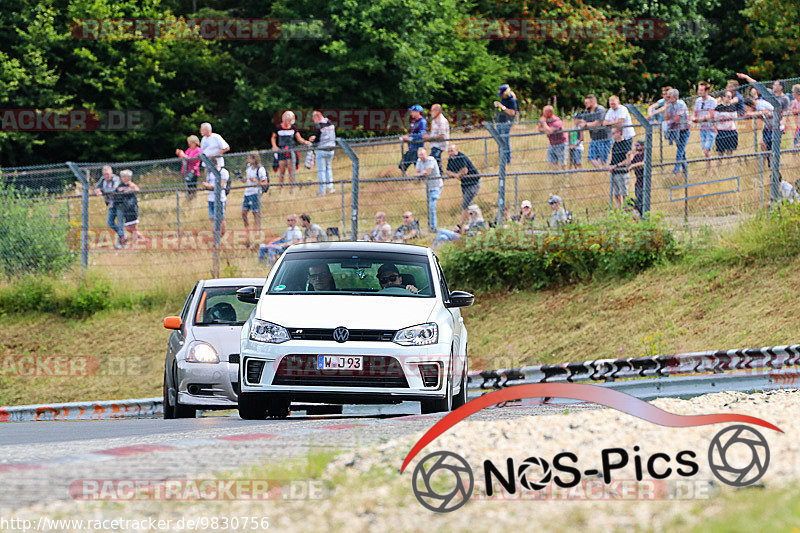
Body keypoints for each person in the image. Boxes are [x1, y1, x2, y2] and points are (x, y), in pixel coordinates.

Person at [271, 111, 312, 192]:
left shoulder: (293, 127)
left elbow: (298, 138)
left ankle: (292, 188)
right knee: (282, 170)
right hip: (282, 150)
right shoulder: (278, 127)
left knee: (291, 170)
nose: (289, 121)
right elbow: (273, 137)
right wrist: (275, 146)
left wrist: (305, 142)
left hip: (291, 151)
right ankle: (280, 189)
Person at [445, 143, 480, 230]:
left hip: (473, 182)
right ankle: (472, 223)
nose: (450, 153)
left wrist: (457, 174)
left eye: (452, 151)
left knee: (465, 205)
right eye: (449, 151)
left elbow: (465, 170)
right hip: (464, 184)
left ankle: (460, 225)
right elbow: (447, 172)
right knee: (469, 205)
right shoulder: (451, 159)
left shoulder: (461, 157)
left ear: (456, 150)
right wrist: (456, 175)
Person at [94, 165, 126, 248]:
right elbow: (97, 187)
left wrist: (102, 191)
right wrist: (97, 190)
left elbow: (114, 189)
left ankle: (121, 244)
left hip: (120, 203)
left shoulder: (116, 179)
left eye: (108, 174)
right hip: (112, 204)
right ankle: (123, 236)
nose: (106, 176)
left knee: (120, 223)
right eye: (104, 174)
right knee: (109, 222)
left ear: (111, 173)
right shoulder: (102, 180)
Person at [241, 151, 268, 246]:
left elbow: (265, 183)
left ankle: (256, 235)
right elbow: (247, 179)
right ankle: (248, 234)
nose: (248, 160)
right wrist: (244, 179)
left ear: (254, 159)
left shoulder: (260, 169)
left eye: (249, 158)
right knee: (244, 213)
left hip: (255, 193)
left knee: (255, 213)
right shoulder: (248, 167)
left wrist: (256, 181)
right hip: (247, 193)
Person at [415, 147, 443, 232]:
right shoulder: (419, 161)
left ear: (426, 154)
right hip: (428, 187)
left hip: (436, 186)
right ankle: (431, 226)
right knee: (429, 207)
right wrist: (421, 174)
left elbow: (428, 172)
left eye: (423, 154)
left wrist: (421, 174)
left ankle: (433, 227)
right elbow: (415, 173)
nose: (421, 156)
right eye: (420, 155)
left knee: (432, 206)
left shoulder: (431, 160)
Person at [115, 169, 146, 246]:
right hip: (125, 208)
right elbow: (118, 190)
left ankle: (135, 244)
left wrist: (128, 189)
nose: (122, 178)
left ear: (128, 177)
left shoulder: (131, 184)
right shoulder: (121, 185)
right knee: (129, 228)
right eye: (121, 176)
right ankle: (142, 238)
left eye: (123, 176)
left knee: (134, 227)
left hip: (132, 207)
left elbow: (137, 189)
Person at [664, 88, 690, 176]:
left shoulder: (681, 104)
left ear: (675, 97)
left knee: (680, 150)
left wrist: (668, 122)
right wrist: (666, 109)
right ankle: (685, 168)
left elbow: (677, 118)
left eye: (669, 96)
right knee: (681, 150)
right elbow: (666, 118)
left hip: (683, 130)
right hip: (676, 130)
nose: (667, 98)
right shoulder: (670, 105)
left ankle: (676, 170)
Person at [309, 110, 336, 196]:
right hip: (331, 149)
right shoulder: (330, 123)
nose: (314, 122)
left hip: (322, 150)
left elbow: (317, 140)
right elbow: (325, 135)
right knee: (329, 168)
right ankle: (330, 188)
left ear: (317, 117)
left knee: (321, 171)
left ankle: (322, 191)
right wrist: (316, 137)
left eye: (314, 120)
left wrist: (312, 144)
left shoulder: (319, 126)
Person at [608, 126, 635, 209]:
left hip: (622, 172)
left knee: (624, 193)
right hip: (614, 172)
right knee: (616, 193)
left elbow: (628, 160)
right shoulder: (615, 144)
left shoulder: (626, 144)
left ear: (619, 133)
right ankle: (620, 209)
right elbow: (613, 157)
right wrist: (610, 165)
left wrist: (616, 166)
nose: (612, 135)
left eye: (613, 133)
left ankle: (627, 208)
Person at [692, 81, 717, 168]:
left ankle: (709, 169)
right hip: (702, 128)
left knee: (707, 149)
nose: (699, 92)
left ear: (707, 91)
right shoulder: (698, 101)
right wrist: (693, 119)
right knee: (705, 150)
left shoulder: (712, 101)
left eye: (702, 90)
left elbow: (710, 115)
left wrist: (698, 119)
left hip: (711, 128)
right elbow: (695, 113)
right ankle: (709, 167)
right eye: (699, 90)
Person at [202, 160, 229, 236]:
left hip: (220, 199)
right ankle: (216, 235)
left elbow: (221, 185)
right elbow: (208, 183)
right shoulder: (210, 173)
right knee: (212, 218)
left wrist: (209, 186)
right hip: (211, 199)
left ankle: (222, 235)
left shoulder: (223, 172)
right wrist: (205, 185)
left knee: (221, 218)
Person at [493, 84, 518, 163]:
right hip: (500, 122)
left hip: (506, 123)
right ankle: (502, 158)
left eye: (502, 94)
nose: (501, 96)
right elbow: (502, 109)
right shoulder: (503, 99)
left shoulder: (512, 101)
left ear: (506, 93)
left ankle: (507, 160)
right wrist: (498, 106)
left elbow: (512, 113)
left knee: (504, 141)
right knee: (500, 141)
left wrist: (502, 106)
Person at [399, 105, 427, 173]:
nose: (411, 113)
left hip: (418, 148)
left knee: (419, 167)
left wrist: (410, 138)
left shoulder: (422, 122)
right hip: (411, 147)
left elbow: (421, 135)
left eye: (413, 111)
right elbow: (412, 133)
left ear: (418, 112)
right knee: (402, 165)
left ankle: (421, 181)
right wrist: (406, 137)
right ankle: (405, 180)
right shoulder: (414, 122)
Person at [539, 105, 568, 170]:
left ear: (550, 113)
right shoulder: (546, 120)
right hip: (552, 144)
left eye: (544, 112)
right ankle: (556, 175)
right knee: (551, 162)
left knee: (562, 162)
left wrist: (544, 123)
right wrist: (545, 128)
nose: (543, 114)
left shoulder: (557, 121)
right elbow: (540, 129)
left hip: (561, 144)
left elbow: (550, 131)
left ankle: (565, 176)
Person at [423, 104, 450, 174]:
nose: (431, 112)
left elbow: (442, 136)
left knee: (431, 160)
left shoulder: (442, 121)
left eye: (432, 110)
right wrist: (428, 137)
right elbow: (435, 134)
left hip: (439, 146)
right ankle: (440, 176)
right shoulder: (434, 120)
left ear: (437, 111)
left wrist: (430, 138)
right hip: (434, 145)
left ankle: (438, 176)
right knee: (436, 162)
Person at [714, 90, 739, 160]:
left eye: (731, 97)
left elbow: (735, 120)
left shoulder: (733, 108)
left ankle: (729, 166)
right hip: (721, 131)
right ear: (723, 97)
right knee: (720, 152)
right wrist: (716, 131)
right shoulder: (718, 108)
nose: (730, 98)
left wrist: (736, 130)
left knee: (730, 151)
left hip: (731, 131)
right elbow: (714, 121)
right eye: (728, 96)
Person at [176, 135, 202, 199]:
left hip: (193, 171)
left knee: (192, 186)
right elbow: (184, 157)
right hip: (186, 170)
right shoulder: (189, 150)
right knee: (187, 186)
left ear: (195, 142)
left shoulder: (198, 150)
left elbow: (193, 160)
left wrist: (183, 155)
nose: (189, 144)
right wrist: (180, 154)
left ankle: (193, 199)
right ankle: (189, 199)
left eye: (190, 142)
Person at [628, 141, 646, 217]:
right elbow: (629, 164)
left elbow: (644, 163)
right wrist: (629, 154)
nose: (636, 147)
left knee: (642, 202)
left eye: (638, 145)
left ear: (642, 146)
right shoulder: (637, 156)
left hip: (644, 182)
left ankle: (644, 216)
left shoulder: (645, 154)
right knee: (638, 201)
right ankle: (640, 215)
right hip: (638, 183)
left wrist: (634, 165)